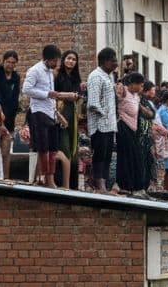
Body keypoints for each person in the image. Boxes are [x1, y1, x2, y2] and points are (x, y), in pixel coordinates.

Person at [23, 44, 77, 188]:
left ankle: (50, 179)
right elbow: (26, 89)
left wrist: (56, 113)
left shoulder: (50, 72)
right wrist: (46, 94)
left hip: (50, 113)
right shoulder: (35, 70)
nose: (57, 64)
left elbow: (51, 95)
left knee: (53, 147)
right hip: (38, 112)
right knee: (43, 148)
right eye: (55, 61)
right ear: (47, 59)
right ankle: (43, 178)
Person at [86, 48, 119, 193]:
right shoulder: (96, 76)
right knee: (99, 155)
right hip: (99, 124)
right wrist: (104, 115)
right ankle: (99, 185)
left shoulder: (108, 77)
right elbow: (93, 103)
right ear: (105, 61)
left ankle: (103, 185)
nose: (116, 64)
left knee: (107, 156)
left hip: (110, 124)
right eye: (113, 61)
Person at [0, 50, 21, 178]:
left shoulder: (16, 77)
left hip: (9, 118)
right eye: (8, 62)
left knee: (6, 151)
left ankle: (6, 177)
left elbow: (15, 98)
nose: (10, 65)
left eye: (13, 63)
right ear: (3, 61)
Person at [54, 50, 83, 190]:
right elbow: (53, 95)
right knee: (64, 146)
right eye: (68, 58)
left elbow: (79, 97)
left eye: (73, 59)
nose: (71, 61)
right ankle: (61, 183)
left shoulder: (77, 78)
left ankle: (73, 185)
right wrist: (68, 96)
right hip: (61, 112)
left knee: (74, 148)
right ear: (63, 59)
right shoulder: (57, 76)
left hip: (73, 115)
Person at [114, 72, 147, 193]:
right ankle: (125, 185)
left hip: (133, 130)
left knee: (136, 157)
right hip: (123, 126)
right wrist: (121, 81)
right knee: (126, 158)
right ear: (133, 84)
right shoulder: (124, 91)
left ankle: (136, 186)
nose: (141, 88)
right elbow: (117, 88)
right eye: (140, 85)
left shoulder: (136, 96)